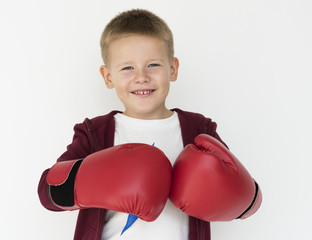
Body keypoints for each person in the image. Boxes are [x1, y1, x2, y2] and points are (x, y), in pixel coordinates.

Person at [38, 9, 262, 240]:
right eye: (127, 68)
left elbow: (242, 198)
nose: (141, 77)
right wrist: (94, 179)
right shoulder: (95, 133)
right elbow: (48, 191)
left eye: (153, 65)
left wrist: (234, 194)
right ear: (108, 77)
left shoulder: (200, 130)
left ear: (172, 69)